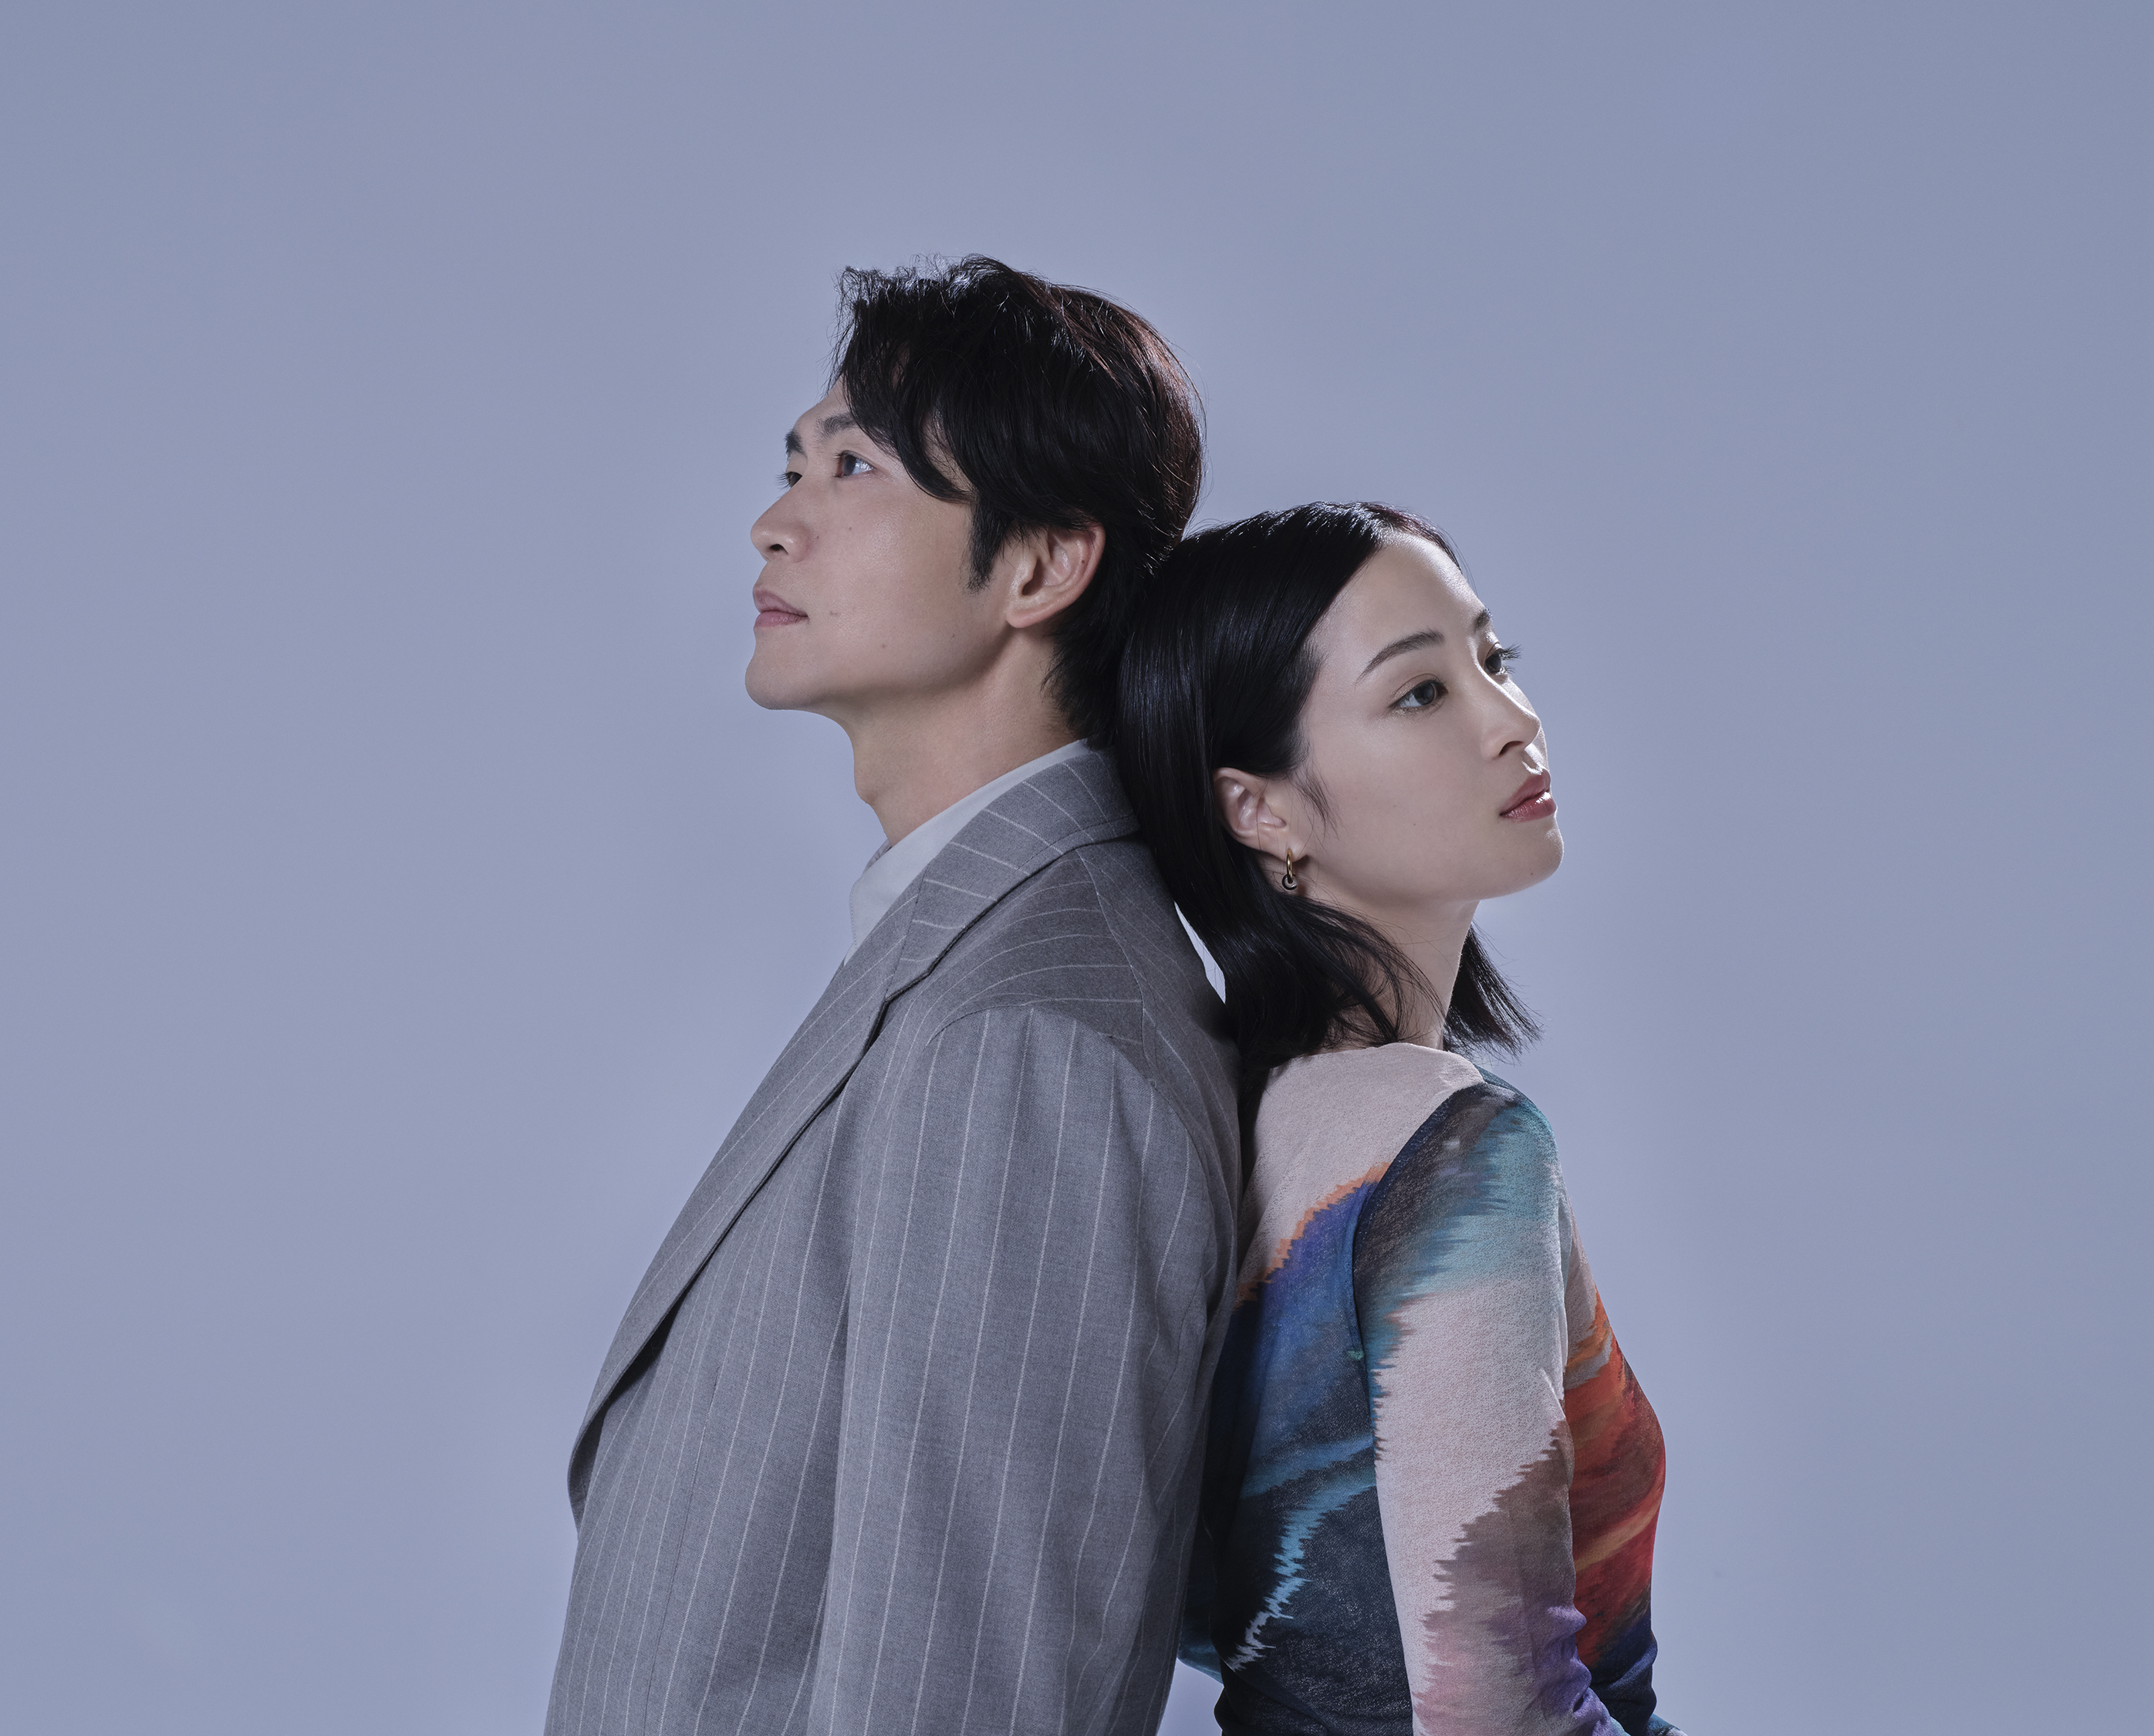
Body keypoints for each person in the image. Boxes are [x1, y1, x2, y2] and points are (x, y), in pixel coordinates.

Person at [546, 258, 1239, 1736]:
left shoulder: (1030, 1041)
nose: (775, 519)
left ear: (1041, 567)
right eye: (792, 463)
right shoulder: (973, 964)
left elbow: (964, 1695)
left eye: (853, 466)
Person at [1115, 503, 1682, 1735]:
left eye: (1494, 659)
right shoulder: (1455, 1153)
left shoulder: (1219, 1120)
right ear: (1259, 808)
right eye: (1421, 692)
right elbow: (1501, 1712)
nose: (1512, 719)